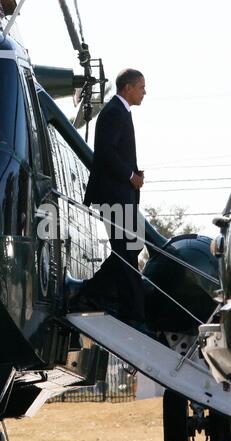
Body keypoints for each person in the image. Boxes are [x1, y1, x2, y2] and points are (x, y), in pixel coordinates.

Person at [72, 68, 146, 328]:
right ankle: (127, 310)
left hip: (122, 193)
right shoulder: (114, 112)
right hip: (113, 194)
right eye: (141, 87)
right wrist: (129, 176)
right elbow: (105, 152)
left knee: (131, 247)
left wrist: (133, 174)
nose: (144, 92)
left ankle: (104, 298)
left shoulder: (121, 111)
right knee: (126, 250)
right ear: (128, 88)